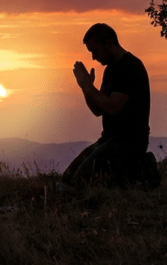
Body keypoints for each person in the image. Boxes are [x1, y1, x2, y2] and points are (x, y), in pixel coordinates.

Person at [60, 23, 159, 189]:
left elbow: (113, 107)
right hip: (109, 139)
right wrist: (85, 88)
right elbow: (98, 110)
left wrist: (89, 87)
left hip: (129, 141)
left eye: (95, 51)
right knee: (68, 177)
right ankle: (131, 173)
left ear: (109, 44)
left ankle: (142, 170)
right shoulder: (110, 70)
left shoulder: (130, 67)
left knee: (81, 183)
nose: (93, 57)